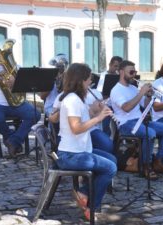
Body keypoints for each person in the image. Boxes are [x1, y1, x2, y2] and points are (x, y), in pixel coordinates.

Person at [55, 63, 117, 220]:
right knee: (110, 168)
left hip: (79, 151)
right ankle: (91, 207)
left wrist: (97, 110)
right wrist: (99, 118)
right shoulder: (72, 100)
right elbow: (76, 128)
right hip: (71, 155)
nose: (91, 82)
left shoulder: (76, 99)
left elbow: (83, 116)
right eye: (89, 78)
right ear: (81, 80)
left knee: (111, 159)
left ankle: (83, 191)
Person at [110, 60, 163, 179]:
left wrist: (149, 96)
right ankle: (145, 166)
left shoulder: (132, 88)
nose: (134, 74)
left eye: (135, 72)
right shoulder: (116, 90)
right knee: (150, 133)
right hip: (126, 124)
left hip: (139, 121)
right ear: (121, 72)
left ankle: (158, 160)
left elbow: (145, 106)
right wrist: (141, 93)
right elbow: (126, 108)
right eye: (131, 72)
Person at [0, 39, 41, 158]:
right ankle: (12, 140)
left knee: (35, 114)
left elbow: (26, 88)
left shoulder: (17, 68)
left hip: (17, 103)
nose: (1, 58)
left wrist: (15, 82)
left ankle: (13, 141)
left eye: (3, 55)